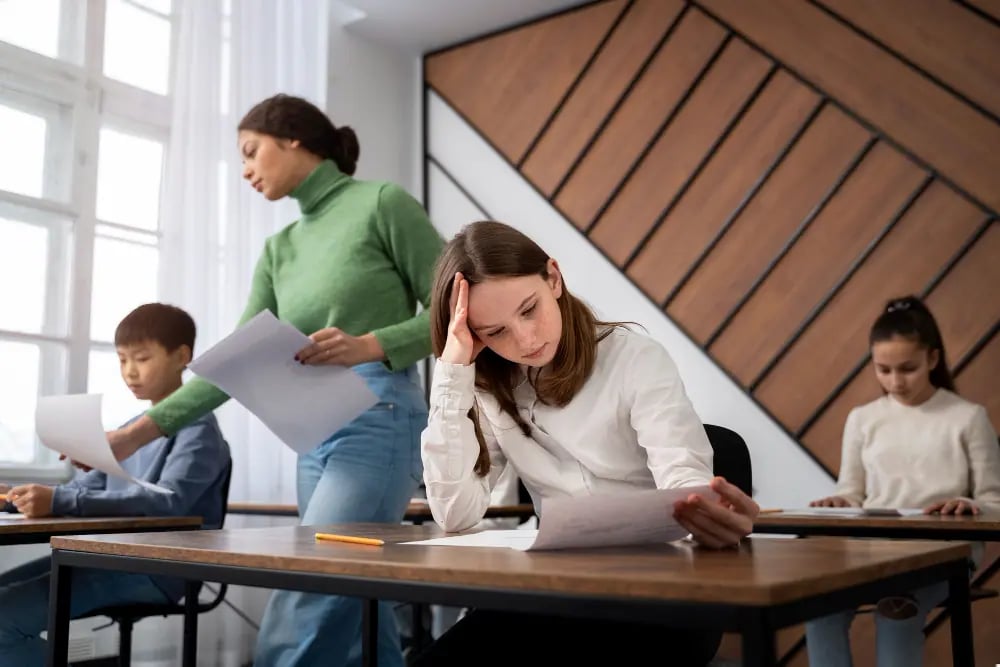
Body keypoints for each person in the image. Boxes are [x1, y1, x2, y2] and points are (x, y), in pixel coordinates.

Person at [95, 94, 442, 667]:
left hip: (378, 417)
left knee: (310, 585)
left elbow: (457, 310)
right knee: (358, 599)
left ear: (293, 139)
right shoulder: (279, 249)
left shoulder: (382, 203)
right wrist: (135, 434)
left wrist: (372, 344)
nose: (245, 170)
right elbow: (237, 362)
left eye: (251, 152)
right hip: (313, 431)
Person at [415, 220, 759, 666]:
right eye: (494, 332)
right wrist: (452, 371)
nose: (525, 339)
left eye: (529, 310)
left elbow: (684, 484)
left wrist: (709, 519)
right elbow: (455, 513)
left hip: (656, 596)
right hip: (556, 593)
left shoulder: (635, 359)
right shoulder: (489, 387)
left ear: (553, 278)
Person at [0, 303, 231, 665]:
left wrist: (58, 500)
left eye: (141, 358)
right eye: (122, 360)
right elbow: (86, 490)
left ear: (182, 356)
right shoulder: (131, 430)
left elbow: (169, 502)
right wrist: (16, 498)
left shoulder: (198, 429)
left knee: (2, 619)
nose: (129, 372)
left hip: (159, 570)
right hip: (106, 558)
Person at [806, 295, 1000, 667]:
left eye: (907, 368)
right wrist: (840, 502)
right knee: (819, 608)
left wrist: (971, 506)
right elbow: (851, 492)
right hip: (874, 550)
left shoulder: (968, 418)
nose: (895, 382)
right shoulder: (862, 419)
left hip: (945, 552)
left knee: (897, 607)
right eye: (883, 370)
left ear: (932, 359)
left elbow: (995, 503)